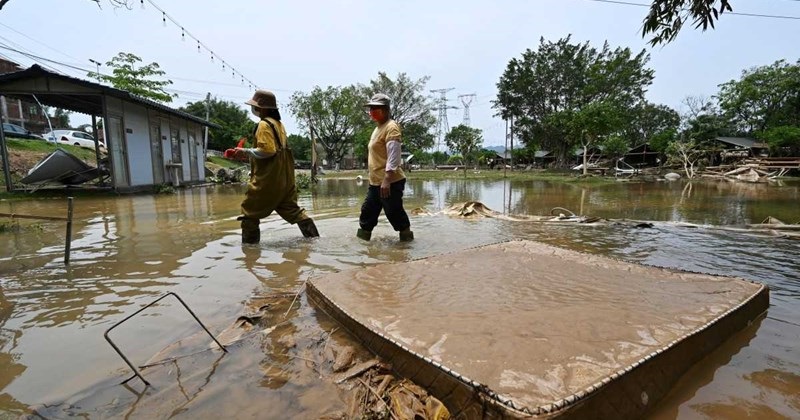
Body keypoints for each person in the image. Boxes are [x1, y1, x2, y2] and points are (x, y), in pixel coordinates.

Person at [234, 90, 319, 243]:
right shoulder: (279, 125)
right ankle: (315, 241)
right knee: (293, 210)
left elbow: (268, 151)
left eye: (255, 106)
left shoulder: (263, 124)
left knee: (250, 211)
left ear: (263, 108)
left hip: (269, 179)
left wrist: (245, 151)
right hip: (285, 179)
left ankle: (250, 254)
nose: (253, 109)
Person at [357, 93, 413, 242]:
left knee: (394, 213)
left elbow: (394, 155)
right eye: (371, 108)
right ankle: (361, 248)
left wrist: (387, 179)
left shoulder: (391, 127)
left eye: (376, 108)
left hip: (390, 181)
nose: (372, 112)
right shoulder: (377, 129)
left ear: (386, 109)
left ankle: (407, 245)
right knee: (367, 213)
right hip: (375, 182)